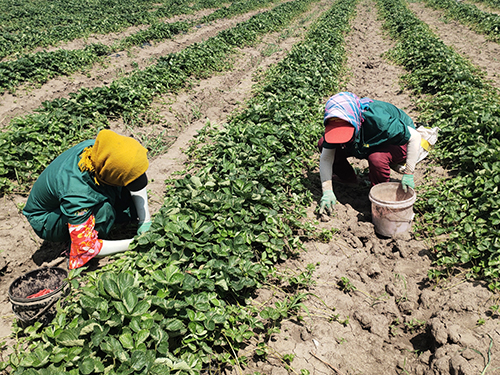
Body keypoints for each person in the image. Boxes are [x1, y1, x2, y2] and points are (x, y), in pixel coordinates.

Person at [23, 129, 153, 269]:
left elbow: (133, 174)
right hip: (46, 219)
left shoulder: (102, 151)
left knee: (128, 202)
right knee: (104, 210)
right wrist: (134, 243)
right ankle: (72, 244)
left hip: (73, 196)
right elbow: (87, 248)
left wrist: (145, 221)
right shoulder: (76, 191)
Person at [318, 92, 421, 215]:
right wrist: (327, 191)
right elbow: (326, 158)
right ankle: (348, 178)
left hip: (395, 143)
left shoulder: (381, 121)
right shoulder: (335, 121)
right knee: (323, 143)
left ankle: (379, 194)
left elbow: (415, 137)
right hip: (365, 141)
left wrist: (409, 173)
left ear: (356, 120)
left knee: (377, 158)